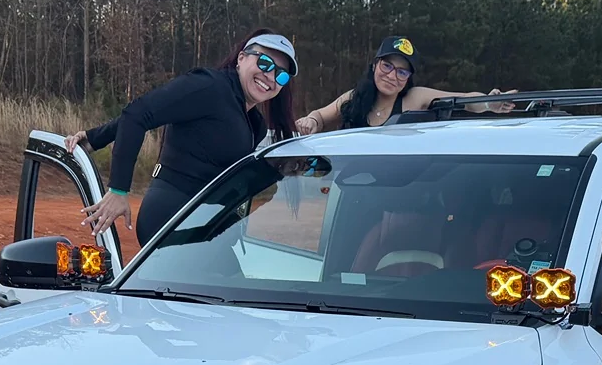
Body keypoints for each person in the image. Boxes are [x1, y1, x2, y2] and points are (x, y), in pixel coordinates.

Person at [69, 29, 297, 242]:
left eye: (281, 75)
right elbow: (139, 114)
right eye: (264, 62)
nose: (270, 76)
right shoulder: (210, 86)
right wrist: (118, 188)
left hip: (209, 225)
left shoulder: (254, 124)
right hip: (171, 217)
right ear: (241, 59)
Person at [294, 36, 512, 134]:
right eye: (387, 66)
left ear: (409, 77)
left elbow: (463, 99)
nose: (392, 76)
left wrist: (487, 103)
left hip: (401, 195)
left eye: (402, 71)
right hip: (354, 192)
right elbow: (320, 116)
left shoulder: (415, 97)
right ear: (374, 65)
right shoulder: (355, 96)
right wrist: (310, 121)